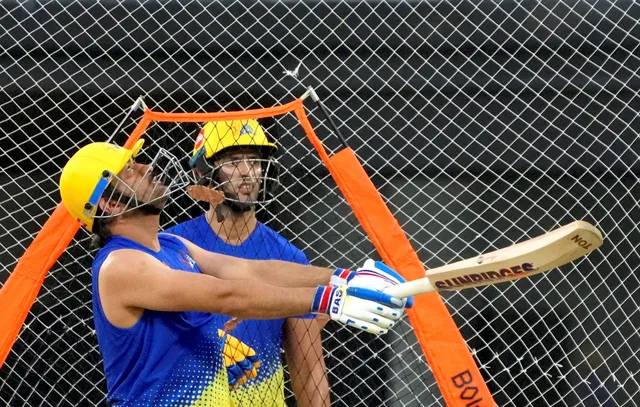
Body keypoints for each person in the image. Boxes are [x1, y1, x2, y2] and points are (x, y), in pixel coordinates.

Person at [58, 139, 412, 407]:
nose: (146, 167)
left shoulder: (170, 244)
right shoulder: (120, 265)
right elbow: (225, 294)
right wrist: (333, 301)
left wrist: (342, 278)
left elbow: (248, 269)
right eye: (130, 170)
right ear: (110, 203)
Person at [166, 119, 328, 406]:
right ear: (203, 172)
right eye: (232, 161)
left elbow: (309, 368)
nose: (246, 174)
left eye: (254, 161)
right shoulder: (170, 247)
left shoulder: (289, 257)